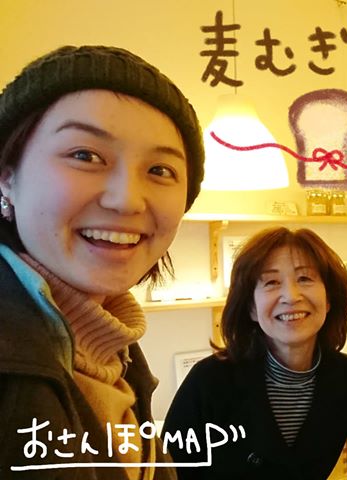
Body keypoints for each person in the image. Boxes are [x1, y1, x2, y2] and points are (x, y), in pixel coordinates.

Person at [0, 45, 205, 479]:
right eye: (85, 156)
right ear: (7, 176)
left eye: (160, 170)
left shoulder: (115, 348)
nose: (126, 200)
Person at [163, 227, 347, 479]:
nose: (291, 296)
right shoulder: (210, 380)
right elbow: (166, 473)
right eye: (271, 282)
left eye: (305, 278)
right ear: (251, 308)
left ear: (328, 299)